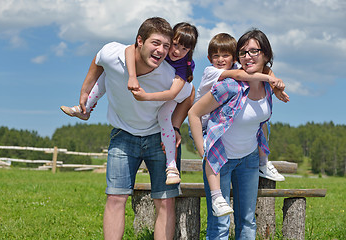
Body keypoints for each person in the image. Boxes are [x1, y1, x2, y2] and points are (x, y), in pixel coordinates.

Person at [76, 17, 194, 239]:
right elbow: (99, 59)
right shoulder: (115, 54)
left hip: (158, 138)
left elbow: (189, 95)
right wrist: (85, 90)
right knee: (115, 197)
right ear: (140, 41)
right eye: (156, 43)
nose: (161, 50)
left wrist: (176, 127)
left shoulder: (170, 76)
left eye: (166, 46)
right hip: (123, 135)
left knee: (165, 201)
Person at [188, 28, 288, 239]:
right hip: (221, 159)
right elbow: (194, 113)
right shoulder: (229, 86)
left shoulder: (267, 86)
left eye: (253, 51)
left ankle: (264, 163)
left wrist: (275, 82)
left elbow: (262, 122)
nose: (247, 56)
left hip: (249, 159)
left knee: (247, 222)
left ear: (266, 55)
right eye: (243, 52)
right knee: (220, 224)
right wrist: (203, 151)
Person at [125, 22, 198, 185]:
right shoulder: (160, 51)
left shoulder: (183, 63)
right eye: (175, 45)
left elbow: (173, 94)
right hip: (169, 93)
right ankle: (86, 105)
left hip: (177, 95)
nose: (177, 51)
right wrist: (132, 76)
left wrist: (146, 96)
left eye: (184, 49)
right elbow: (130, 49)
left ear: (189, 51)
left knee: (164, 116)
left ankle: (171, 166)